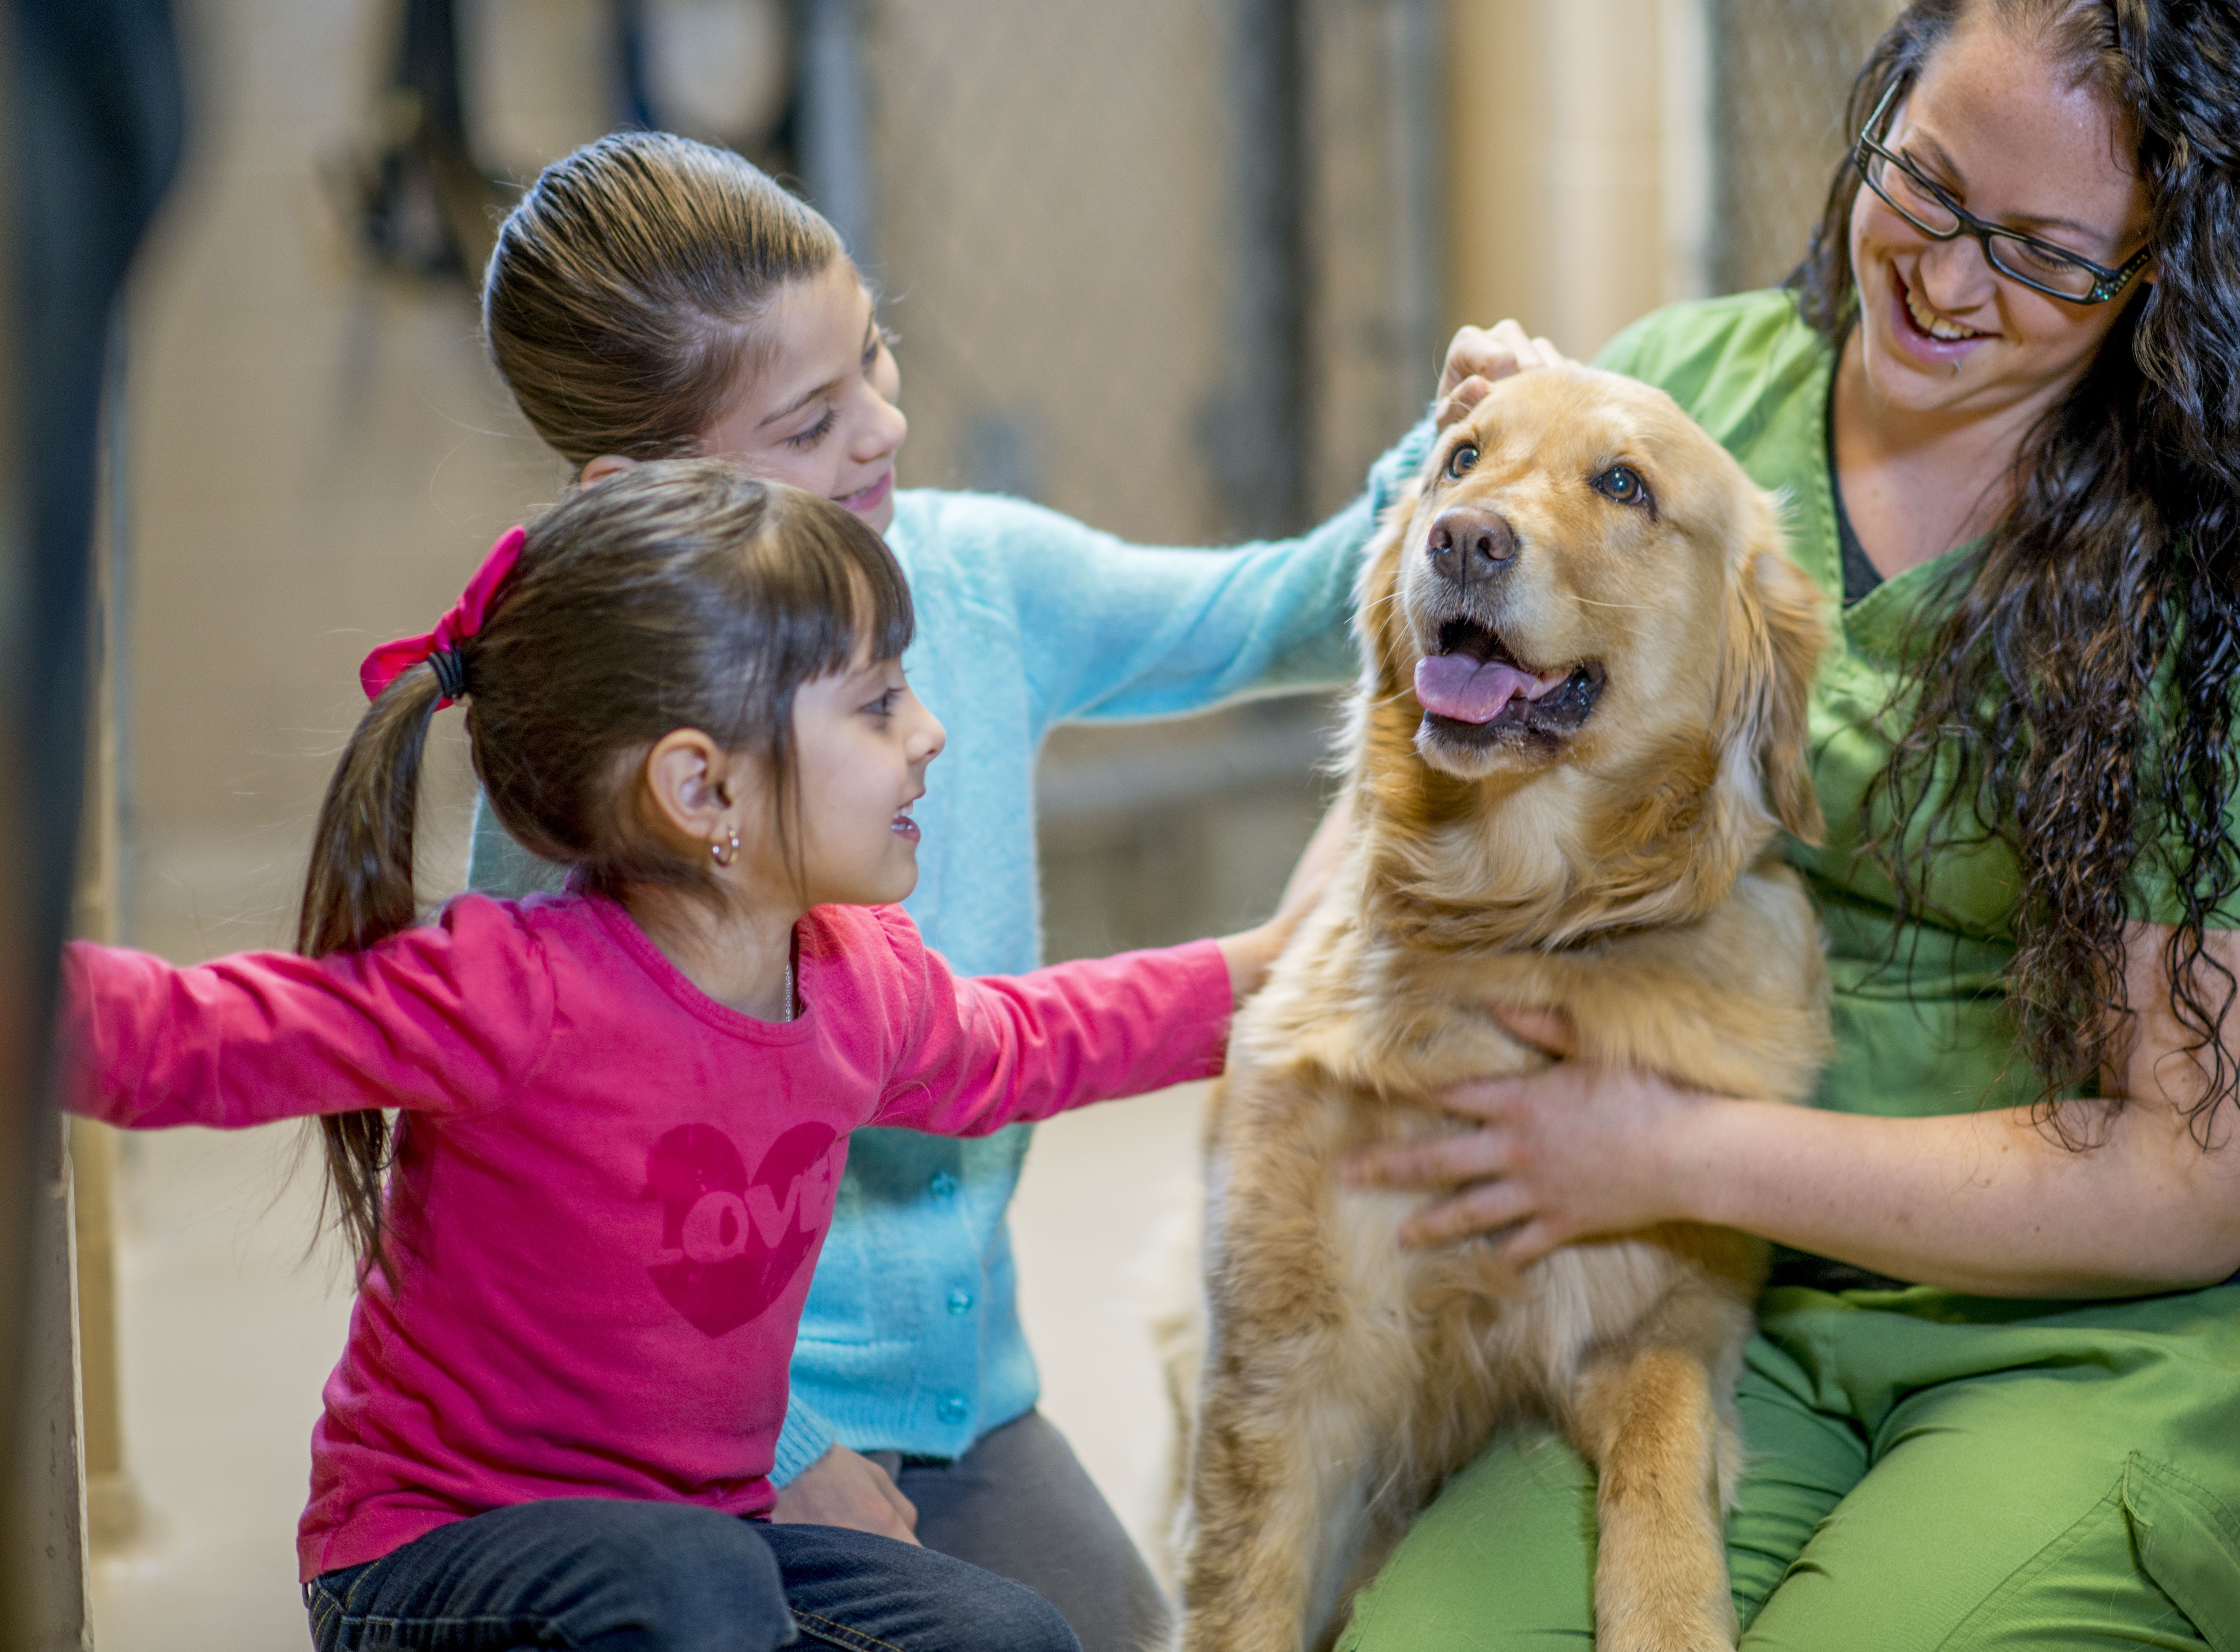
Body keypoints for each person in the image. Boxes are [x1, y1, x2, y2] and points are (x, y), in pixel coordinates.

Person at [1337, 0, 2240, 1649]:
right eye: (1925, 182)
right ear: (1884, 102)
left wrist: (1663, 1150)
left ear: (2163, 275)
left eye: (2047, 256)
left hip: (2149, 1322)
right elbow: (1424, 775)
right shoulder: (1684, 411)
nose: (1946, 279)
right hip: (1750, 1301)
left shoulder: (2215, 574)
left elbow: (2193, 1178)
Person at [468, 130, 1516, 1647]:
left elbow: (1273, 613)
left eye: (877, 357)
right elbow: (537, 1212)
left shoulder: (974, 575)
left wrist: (1454, 462)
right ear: (640, 495)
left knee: (1100, 1630)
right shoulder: (583, 762)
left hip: (959, 1409)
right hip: (658, 1421)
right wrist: (785, 1457)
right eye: (814, 419)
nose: (886, 426)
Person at [58, 464, 1310, 1652]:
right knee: (687, 1589)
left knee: (1014, 1631)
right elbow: (195, 1037)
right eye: (878, 704)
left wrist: (1273, 970)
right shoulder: (516, 992)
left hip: (706, 1547)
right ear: (701, 791)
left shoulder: (859, 978)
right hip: (437, 1559)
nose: (929, 733)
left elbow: (1029, 1044)